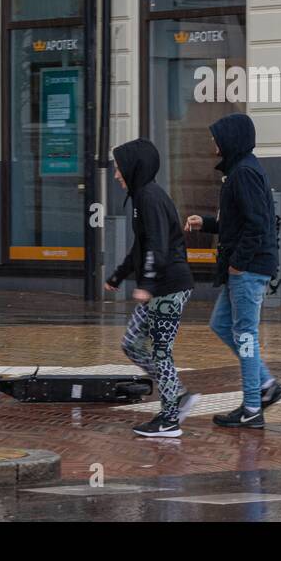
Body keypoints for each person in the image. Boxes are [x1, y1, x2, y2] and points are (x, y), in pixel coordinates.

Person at [184, 113, 281, 428]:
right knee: (222, 324)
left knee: (245, 335)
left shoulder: (244, 173)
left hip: (248, 269)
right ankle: (266, 386)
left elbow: (258, 224)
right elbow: (241, 221)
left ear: (232, 139)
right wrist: (208, 223)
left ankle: (252, 408)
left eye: (217, 136)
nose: (213, 142)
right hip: (244, 267)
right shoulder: (240, 170)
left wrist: (239, 263)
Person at [104, 138, 199, 438]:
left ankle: (170, 419)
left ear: (133, 167)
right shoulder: (140, 197)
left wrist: (145, 284)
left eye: (119, 169)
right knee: (131, 343)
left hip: (169, 286)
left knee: (161, 352)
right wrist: (118, 276)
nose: (116, 174)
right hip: (159, 286)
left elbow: (156, 245)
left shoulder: (150, 197)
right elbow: (139, 247)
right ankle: (178, 396)